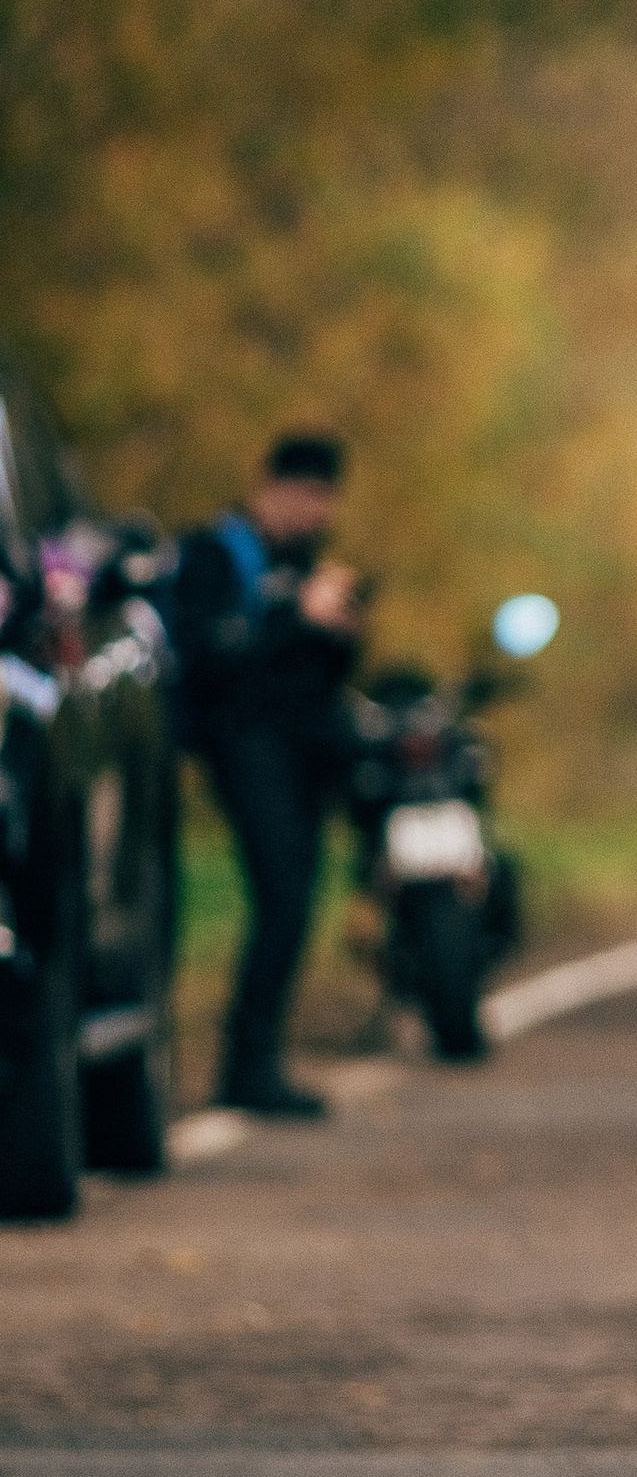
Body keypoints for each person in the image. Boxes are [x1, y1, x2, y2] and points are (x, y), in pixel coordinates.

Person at [172, 432, 365, 1120]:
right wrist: (296, 616)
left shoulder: (306, 563)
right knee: (281, 897)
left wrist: (341, 628)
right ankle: (245, 1062)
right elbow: (211, 659)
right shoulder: (217, 555)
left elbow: (321, 673)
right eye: (308, 494)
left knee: (298, 900)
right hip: (245, 748)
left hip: (305, 751)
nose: (316, 511)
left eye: (327, 498)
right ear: (274, 487)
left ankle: (260, 1057)